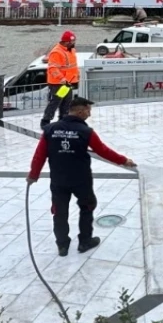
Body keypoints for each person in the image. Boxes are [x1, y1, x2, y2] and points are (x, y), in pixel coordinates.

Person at [28, 96, 136, 256]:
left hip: (59, 180)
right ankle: (85, 242)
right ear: (80, 111)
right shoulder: (86, 131)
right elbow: (103, 151)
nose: (89, 114)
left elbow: (40, 155)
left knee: (59, 212)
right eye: (88, 110)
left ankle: (62, 246)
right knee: (87, 207)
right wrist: (124, 161)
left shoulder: (50, 130)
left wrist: (33, 175)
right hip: (81, 180)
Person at [40, 30, 80, 129]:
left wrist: (77, 75)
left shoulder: (71, 50)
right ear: (66, 42)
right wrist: (61, 78)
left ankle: (63, 120)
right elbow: (53, 68)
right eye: (72, 42)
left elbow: (73, 66)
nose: (74, 43)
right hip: (58, 83)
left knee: (67, 102)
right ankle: (46, 121)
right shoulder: (57, 52)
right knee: (56, 102)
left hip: (68, 82)